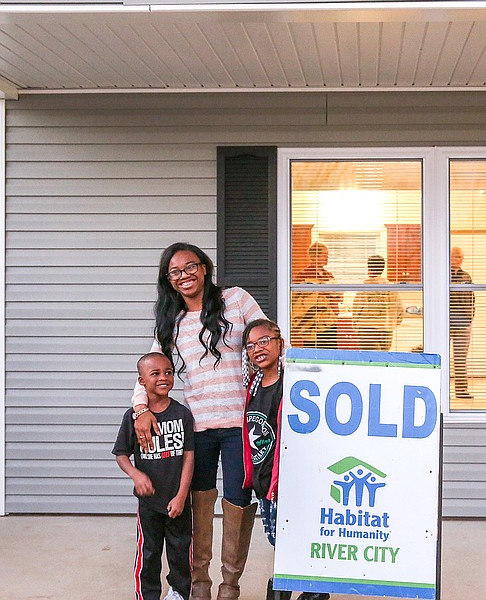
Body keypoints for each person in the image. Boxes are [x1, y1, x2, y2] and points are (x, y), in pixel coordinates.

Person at [133, 243, 266, 600]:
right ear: (169, 281)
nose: (184, 275)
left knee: (238, 502)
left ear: (204, 268)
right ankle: (200, 585)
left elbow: (265, 341)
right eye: (175, 272)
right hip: (198, 428)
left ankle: (230, 587)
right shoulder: (171, 321)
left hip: (240, 424)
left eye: (190, 267)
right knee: (199, 503)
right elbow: (148, 368)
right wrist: (140, 408)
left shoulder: (236, 300)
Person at [241, 318, 329, 600]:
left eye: (264, 341)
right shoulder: (253, 385)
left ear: (280, 342)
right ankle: (309, 590)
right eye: (251, 345)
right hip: (265, 479)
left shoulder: (294, 384)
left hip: (290, 480)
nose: (258, 349)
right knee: (279, 540)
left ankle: (314, 592)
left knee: (292, 540)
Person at [113, 352, 195, 600]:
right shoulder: (133, 418)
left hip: (178, 501)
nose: (164, 377)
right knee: (148, 553)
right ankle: (146, 595)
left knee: (180, 552)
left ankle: (179, 594)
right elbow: (121, 454)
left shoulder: (182, 414)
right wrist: (136, 475)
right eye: (155, 373)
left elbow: (189, 457)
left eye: (168, 372)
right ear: (141, 381)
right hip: (149, 503)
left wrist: (182, 496)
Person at [292, 242, 341, 349]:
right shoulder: (303, 275)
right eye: (325, 255)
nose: (327, 258)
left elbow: (339, 295)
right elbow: (296, 300)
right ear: (315, 256)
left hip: (329, 322)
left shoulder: (329, 275)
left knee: (331, 352)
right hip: (311, 325)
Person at [352, 255, 404, 351]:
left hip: (367, 329)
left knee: (371, 360)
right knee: (382, 361)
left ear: (369, 268)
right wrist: (392, 324)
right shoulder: (391, 288)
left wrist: (356, 326)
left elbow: (356, 310)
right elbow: (400, 310)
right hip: (386, 330)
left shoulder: (365, 288)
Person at [450, 247, 475, 399]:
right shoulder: (442, 274)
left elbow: (472, 298)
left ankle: (461, 390)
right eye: (457, 256)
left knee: (460, 359)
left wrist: (470, 316)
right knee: (440, 357)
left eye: (461, 257)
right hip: (444, 324)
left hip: (463, 324)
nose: (459, 259)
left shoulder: (466, 276)